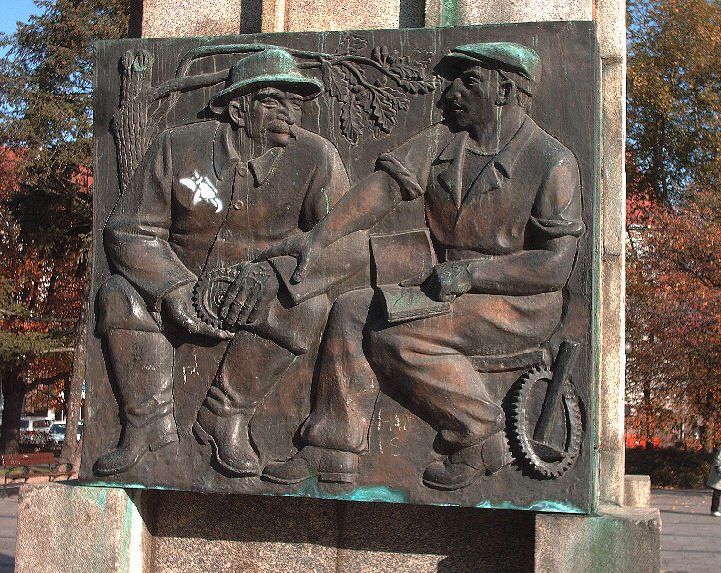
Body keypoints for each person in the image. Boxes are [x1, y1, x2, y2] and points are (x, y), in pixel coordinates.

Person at [261, 42, 584, 490]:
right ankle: (330, 452)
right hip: (444, 286)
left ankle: (482, 435)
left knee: (395, 335)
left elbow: (555, 265)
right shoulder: (444, 140)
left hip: (518, 301)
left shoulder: (553, 162)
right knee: (353, 310)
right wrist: (319, 238)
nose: (450, 92)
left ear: (505, 91)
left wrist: (475, 274)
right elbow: (381, 191)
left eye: (469, 80)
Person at [94, 47, 356, 477]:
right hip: (176, 292)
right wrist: (173, 287)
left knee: (310, 305)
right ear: (238, 108)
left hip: (259, 298)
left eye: (298, 102)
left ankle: (224, 417)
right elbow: (129, 230)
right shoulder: (176, 147)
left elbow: (343, 243)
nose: (293, 113)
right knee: (118, 294)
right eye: (275, 100)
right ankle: (147, 427)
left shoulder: (317, 157)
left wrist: (273, 276)